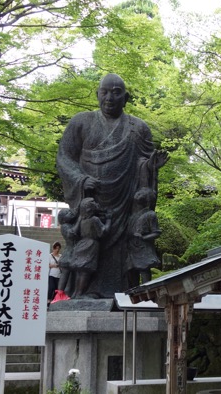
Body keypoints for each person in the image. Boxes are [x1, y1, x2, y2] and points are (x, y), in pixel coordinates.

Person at [56, 73, 168, 297]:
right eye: (105, 92)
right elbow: (64, 157)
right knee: (89, 248)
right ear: (97, 94)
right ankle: (83, 294)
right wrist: (81, 179)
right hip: (91, 201)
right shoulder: (82, 122)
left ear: (125, 97)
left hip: (124, 202)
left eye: (116, 92)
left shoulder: (138, 128)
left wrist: (151, 166)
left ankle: (129, 293)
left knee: (123, 252)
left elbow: (143, 163)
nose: (110, 97)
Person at [126, 187, 162, 285]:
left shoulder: (150, 214)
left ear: (147, 199)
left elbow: (157, 232)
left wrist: (144, 238)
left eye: (141, 194)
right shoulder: (131, 215)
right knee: (131, 270)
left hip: (144, 246)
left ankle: (147, 291)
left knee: (144, 269)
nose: (137, 195)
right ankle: (132, 292)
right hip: (131, 245)